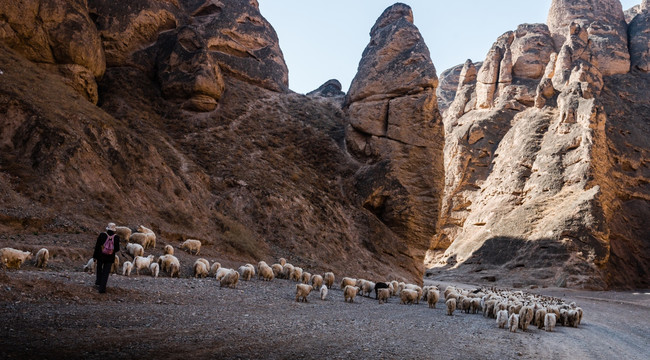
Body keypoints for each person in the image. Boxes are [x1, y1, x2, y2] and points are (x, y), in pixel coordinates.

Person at [93, 222, 121, 293]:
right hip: (110, 258)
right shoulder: (116, 237)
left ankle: (98, 282)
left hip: (100, 256)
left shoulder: (102, 235)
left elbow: (97, 246)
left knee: (99, 268)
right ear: (114, 229)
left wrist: (95, 256)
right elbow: (117, 249)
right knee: (106, 272)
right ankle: (102, 289)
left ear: (107, 228)